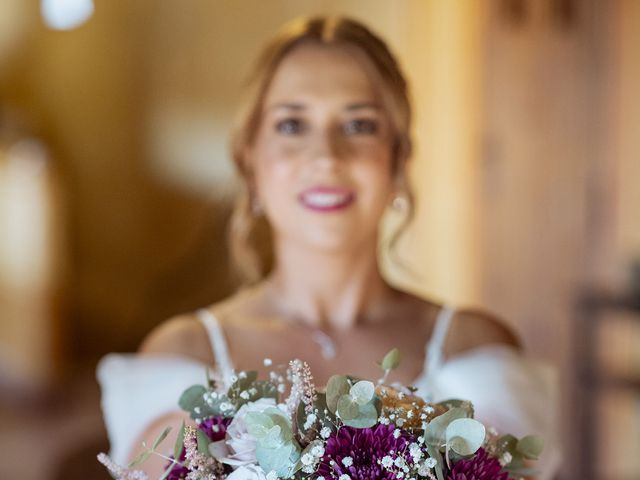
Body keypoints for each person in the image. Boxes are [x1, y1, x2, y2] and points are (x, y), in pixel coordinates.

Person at [98, 15, 559, 479]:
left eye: (359, 124)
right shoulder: (183, 358)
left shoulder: (475, 352)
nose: (326, 156)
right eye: (292, 124)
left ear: (398, 161)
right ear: (250, 162)